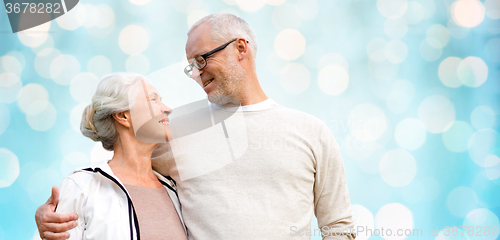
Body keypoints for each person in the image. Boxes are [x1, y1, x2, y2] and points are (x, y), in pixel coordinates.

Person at [36, 13, 356, 240]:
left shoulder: (311, 132)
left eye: (202, 60)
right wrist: (52, 217)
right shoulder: (172, 129)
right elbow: (117, 169)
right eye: (191, 66)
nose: (197, 73)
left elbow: (338, 225)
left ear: (241, 48)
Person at [40, 73, 188, 240]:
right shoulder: (83, 187)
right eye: (153, 100)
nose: (168, 108)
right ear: (123, 116)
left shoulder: (174, 190)